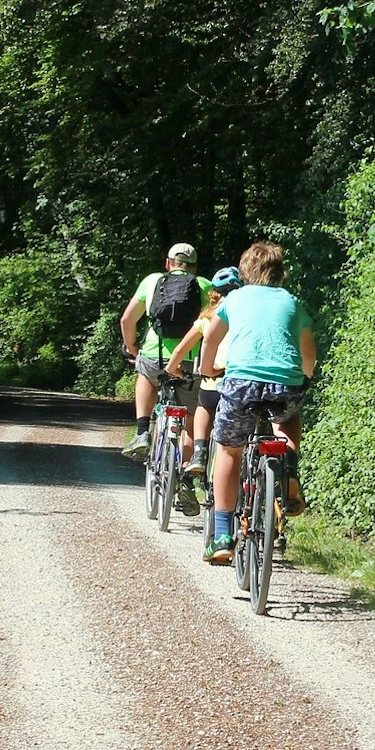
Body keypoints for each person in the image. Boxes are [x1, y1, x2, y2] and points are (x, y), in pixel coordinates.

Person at [197, 241, 316, 565]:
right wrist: (304, 377)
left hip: (240, 384)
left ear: (246, 272)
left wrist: (207, 370)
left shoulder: (234, 298)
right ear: (281, 273)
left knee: (229, 450)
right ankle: (289, 472)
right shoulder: (293, 302)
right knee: (289, 420)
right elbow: (308, 353)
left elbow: (211, 339)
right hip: (285, 385)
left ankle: (222, 535)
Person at [120, 243, 211, 479]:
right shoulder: (204, 285)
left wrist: (133, 349)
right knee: (190, 418)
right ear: (194, 267)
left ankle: (142, 432)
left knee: (146, 376)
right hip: (191, 362)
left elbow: (127, 320)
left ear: (168, 263)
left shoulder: (152, 281)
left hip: (154, 356)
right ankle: (187, 480)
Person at [165, 265, 243, 487]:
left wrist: (173, 369)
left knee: (203, 407)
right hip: (240, 381)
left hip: (213, 383)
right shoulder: (246, 317)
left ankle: (199, 451)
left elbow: (180, 350)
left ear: (213, 293)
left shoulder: (206, 318)